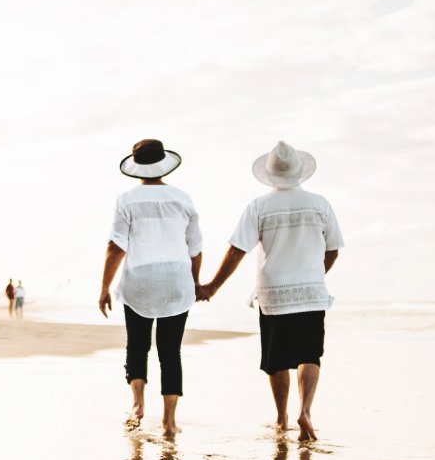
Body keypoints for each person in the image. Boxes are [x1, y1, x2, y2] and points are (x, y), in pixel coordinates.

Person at [197, 141, 344, 442]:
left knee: (277, 359)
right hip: (311, 293)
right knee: (310, 355)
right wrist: (315, 274)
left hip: (274, 293)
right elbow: (333, 251)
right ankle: (306, 411)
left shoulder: (259, 206)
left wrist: (212, 285)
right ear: (299, 172)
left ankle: (281, 419)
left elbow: (237, 250)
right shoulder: (320, 203)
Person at [99, 138, 203, 440]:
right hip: (176, 278)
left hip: (139, 281)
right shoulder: (183, 198)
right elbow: (195, 249)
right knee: (171, 352)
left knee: (137, 345)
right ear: (163, 164)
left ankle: (137, 406)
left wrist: (105, 287)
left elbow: (116, 246)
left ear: (137, 167)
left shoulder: (126, 199)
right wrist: (195, 282)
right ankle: (169, 422)